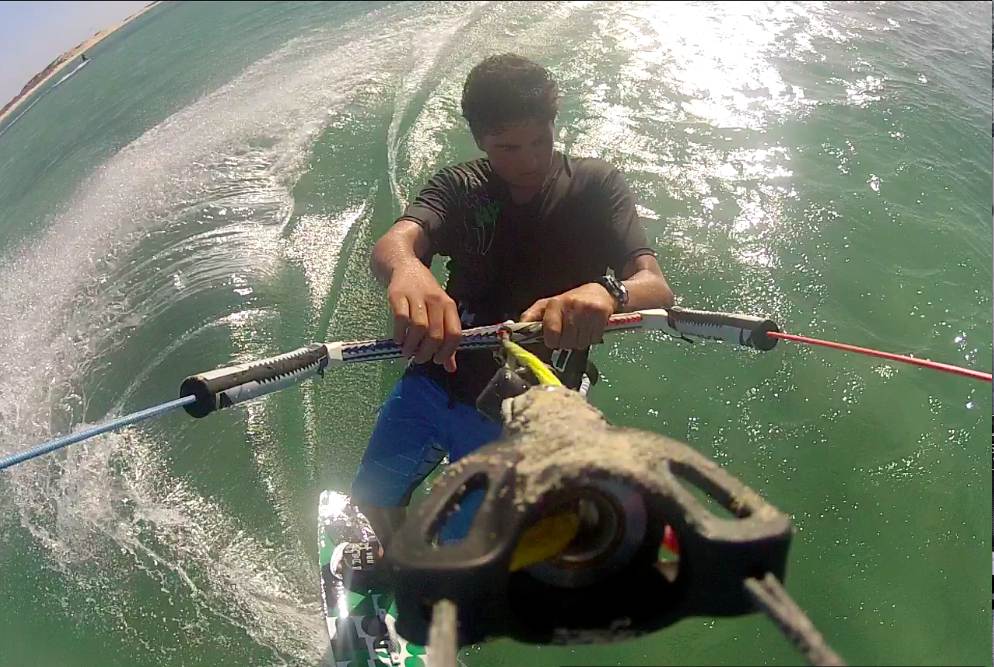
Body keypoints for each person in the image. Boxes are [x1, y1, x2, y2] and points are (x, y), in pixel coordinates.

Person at [350, 53, 675, 551]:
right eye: (507, 148)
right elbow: (397, 242)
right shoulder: (460, 187)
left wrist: (607, 292)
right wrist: (407, 268)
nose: (529, 161)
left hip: (525, 403)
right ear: (480, 139)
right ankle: (397, 560)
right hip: (436, 377)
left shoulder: (596, 186)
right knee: (374, 496)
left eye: (540, 140)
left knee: (465, 541)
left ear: (554, 123)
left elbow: (654, 285)